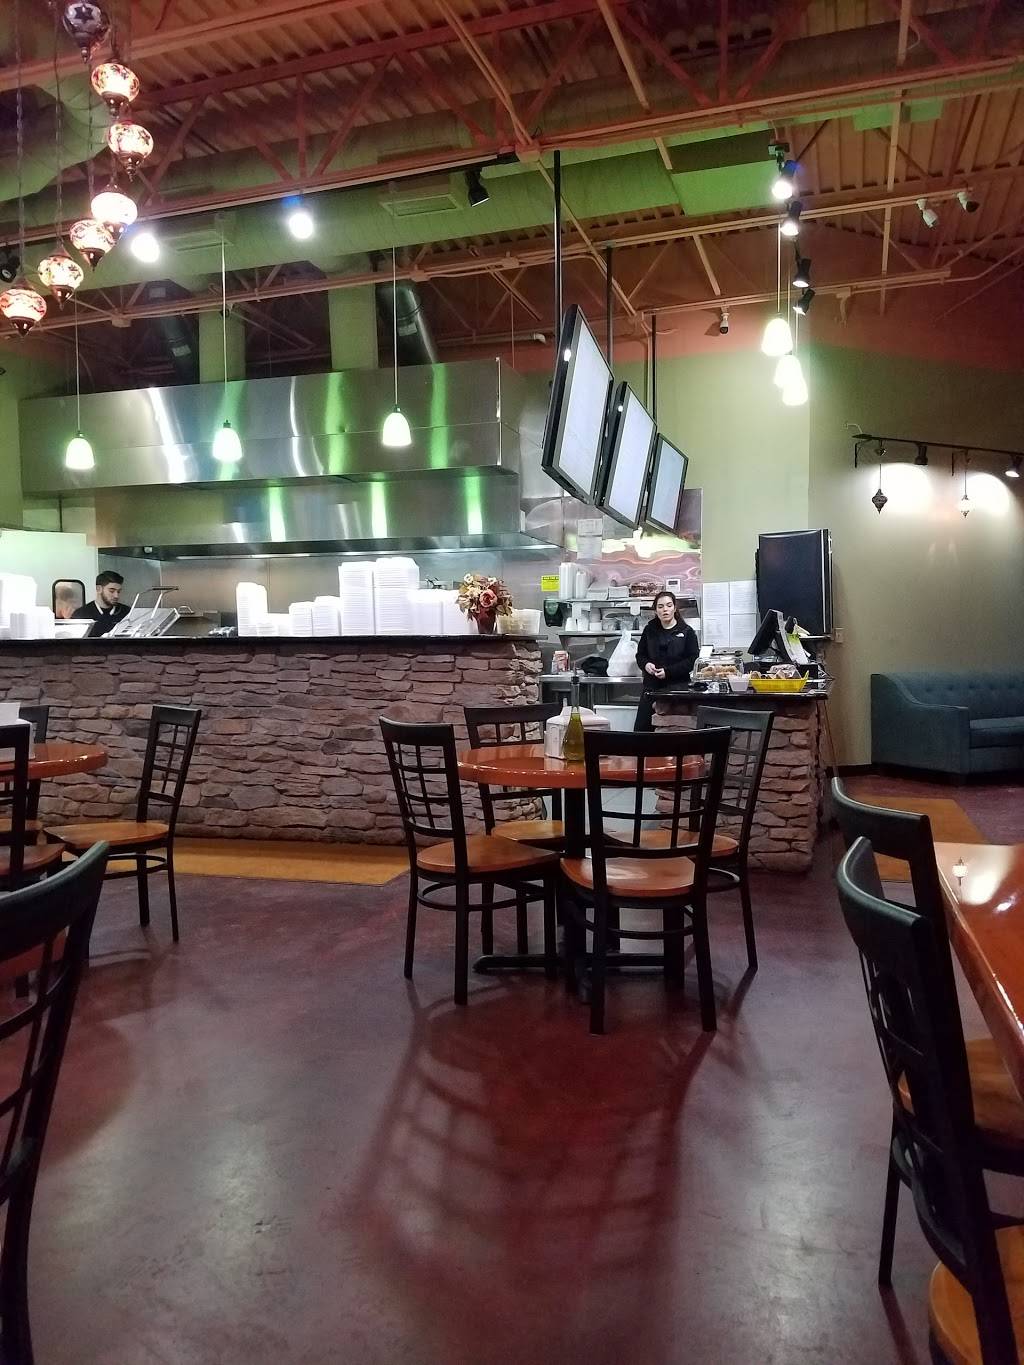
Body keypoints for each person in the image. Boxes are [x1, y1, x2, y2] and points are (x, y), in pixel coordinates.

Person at [633, 589, 700, 731]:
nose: (665, 610)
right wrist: (646, 665)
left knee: (672, 732)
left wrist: (668, 672)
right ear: (656, 610)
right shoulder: (649, 630)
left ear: (675, 608)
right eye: (660, 606)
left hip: (677, 690)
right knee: (642, 731)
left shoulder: (687, 631)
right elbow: (640, 655)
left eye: (669, 605)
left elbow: (692, 660)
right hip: (651, 689)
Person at [72, 570, 130, 637]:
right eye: (111, 591)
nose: (116, 596)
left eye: (118, 591)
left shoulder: (127, 612)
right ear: (99, 589)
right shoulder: (80, 615)